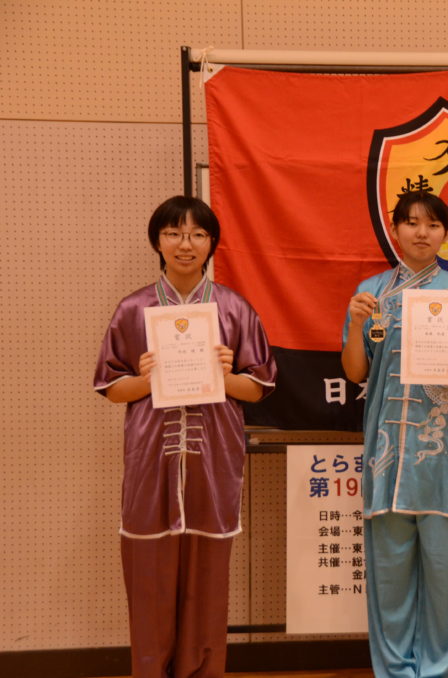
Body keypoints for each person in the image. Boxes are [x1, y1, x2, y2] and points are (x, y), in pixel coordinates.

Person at [94, 196, 277, 678]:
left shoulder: (234, 309)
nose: (185, 244)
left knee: (207, 582)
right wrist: (145, 379)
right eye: (174, 233)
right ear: (157, 241)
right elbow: (112, 388)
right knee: (148, 579)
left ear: (212, 243)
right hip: (150, 461)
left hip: (213, 463)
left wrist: (225, 374)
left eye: (197, 234)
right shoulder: (133, 309)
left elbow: (257, 387)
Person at [342, 190, 448, 678]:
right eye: (411, 223)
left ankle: (441, 671)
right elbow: (355, 372)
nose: (421, 233)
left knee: (446, 578)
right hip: (387, 458)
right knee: (388, 579)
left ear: (446, 233)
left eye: (432, 224)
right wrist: (355, 325)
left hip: (442, 459)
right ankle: (394, 671)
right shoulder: (372, 294)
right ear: (394, 230)